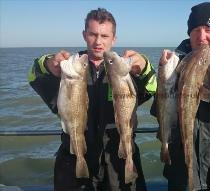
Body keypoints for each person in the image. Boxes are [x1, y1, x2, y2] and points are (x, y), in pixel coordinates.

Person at [28, 8, 157, 191]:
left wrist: (144, 66)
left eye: (104, 36)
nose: (98, 41)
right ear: (84, 35)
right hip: (74, 160)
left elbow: (153, 86)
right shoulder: (67, 70)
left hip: (118, 161)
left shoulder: (124, 70)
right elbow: (33, 77)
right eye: (92, 34)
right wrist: (47, 63)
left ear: (114, 39)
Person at [151, 2, 210, 191]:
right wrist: (162, 75)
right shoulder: (175, 65)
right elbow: (159, 110)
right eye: (196, 30)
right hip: (183, 170)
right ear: (189, 34)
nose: (202, 37)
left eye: (208, 29)